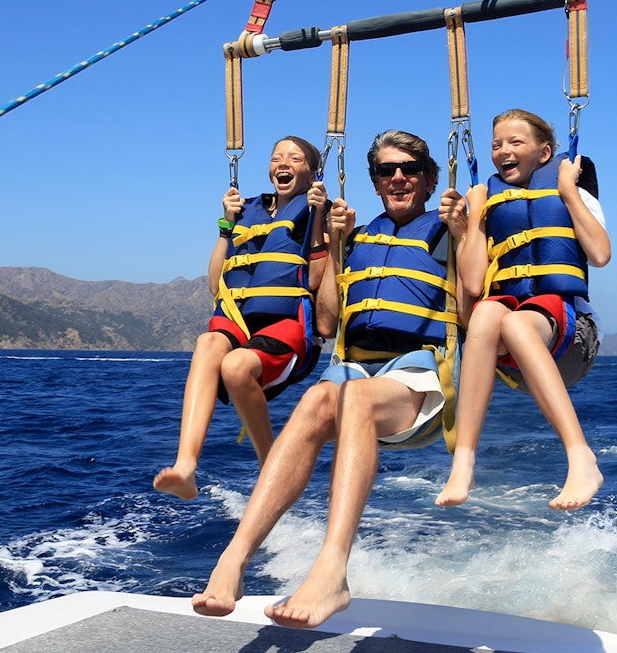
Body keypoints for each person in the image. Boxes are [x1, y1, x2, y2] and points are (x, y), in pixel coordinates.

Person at [191, 130, 467, 628]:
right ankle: (235, 557)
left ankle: (333, 570)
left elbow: (470, 309)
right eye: (386, 171)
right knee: (317, 400)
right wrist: (337, 247)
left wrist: (466, 233)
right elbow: (324, 322)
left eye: (409, 169)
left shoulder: (447, 231)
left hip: (419, 376)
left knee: (352, 394)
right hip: (354, 367)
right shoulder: (357, 238)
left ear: (429, 179)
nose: (398, 178)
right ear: (375, 182)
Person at [435, 109, 610, 511]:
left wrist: (568, 192)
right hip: (515, 358)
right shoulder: (490, 202)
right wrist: (473, 220)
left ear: (544, 153)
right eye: (496, 144)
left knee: (514, 323)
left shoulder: (570, 189)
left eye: (515, 142)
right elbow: (473, 283)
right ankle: (464, 461)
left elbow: (600, 254)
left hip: (573, 338)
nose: (503, 151)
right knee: (486, 313)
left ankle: (581, 457)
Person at [154, 135, 329, 501]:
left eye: (294, 158)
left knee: (235, 368)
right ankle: (186, 466)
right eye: (276, 157)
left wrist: (317, 218)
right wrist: (226, 226)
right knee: (207, 342)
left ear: (313, 173)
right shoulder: (247, 210)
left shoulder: (317, 210)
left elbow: (315, 279)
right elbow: (215, 284)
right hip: (237, 318)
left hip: (286, 327)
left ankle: (270, 466)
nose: (283, 163)